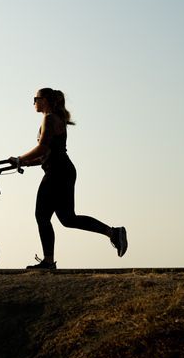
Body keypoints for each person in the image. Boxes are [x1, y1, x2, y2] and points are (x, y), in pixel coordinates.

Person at [11, 88, 127, 269]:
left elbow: (42, 148)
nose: (34, 102)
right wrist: (25, 163)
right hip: (63, 171)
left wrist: (19, 158)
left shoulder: (49, 119)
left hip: (57, 173)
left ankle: (48, 261)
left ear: (46, 100)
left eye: (36, 99)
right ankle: (113, 232)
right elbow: (46, 155)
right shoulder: (55, 119)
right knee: (68, 219)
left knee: (42, 216)